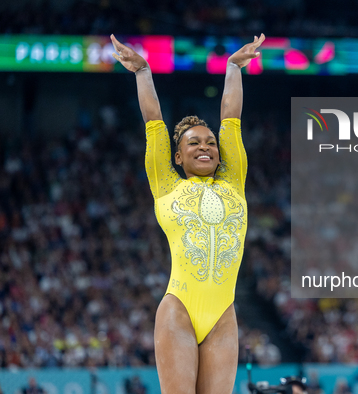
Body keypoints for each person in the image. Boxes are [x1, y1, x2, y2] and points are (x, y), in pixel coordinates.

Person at [110, 32, 265, 394]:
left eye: (210, 142)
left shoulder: (233, 182)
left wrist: (233, 68)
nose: (205, 147)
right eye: (193, 143)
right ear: (177, 157)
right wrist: (143, 72)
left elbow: (231, 118)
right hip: (178, 311)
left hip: (223, 315)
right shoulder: (167, 185)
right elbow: (153, 122)